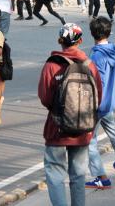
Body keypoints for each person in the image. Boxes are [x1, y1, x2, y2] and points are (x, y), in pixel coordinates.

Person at [38, 23, 102, 206]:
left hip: (57, 129)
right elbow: (99, 96)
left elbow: (45, 97)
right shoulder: (90, 66)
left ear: (60, 41)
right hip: (83, 129)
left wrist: (61, 111)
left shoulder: (52, 65)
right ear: (80, 41)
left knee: (55, 173)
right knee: (78, 175)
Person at [85, 17, 115, 190]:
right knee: (113, 130)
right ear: (109, 32)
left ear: (92, 34)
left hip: (98, 104)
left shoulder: (96, 55)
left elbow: (96, 82)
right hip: (110, 102)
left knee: (89, 140)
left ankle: (100, 177)